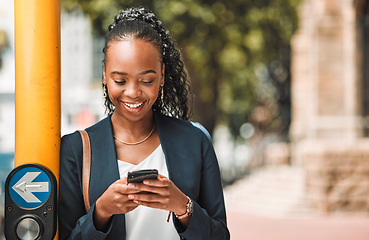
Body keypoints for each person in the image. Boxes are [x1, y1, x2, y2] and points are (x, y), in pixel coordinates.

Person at [58, 7, 230, 240]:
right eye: (120, 80)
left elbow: (219, 236)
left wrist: (183, 206)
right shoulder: (76, 149)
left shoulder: (195, 140)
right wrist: (101, 212)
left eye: (146, 80)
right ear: (105, 75)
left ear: (161, 74)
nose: (132, 92)